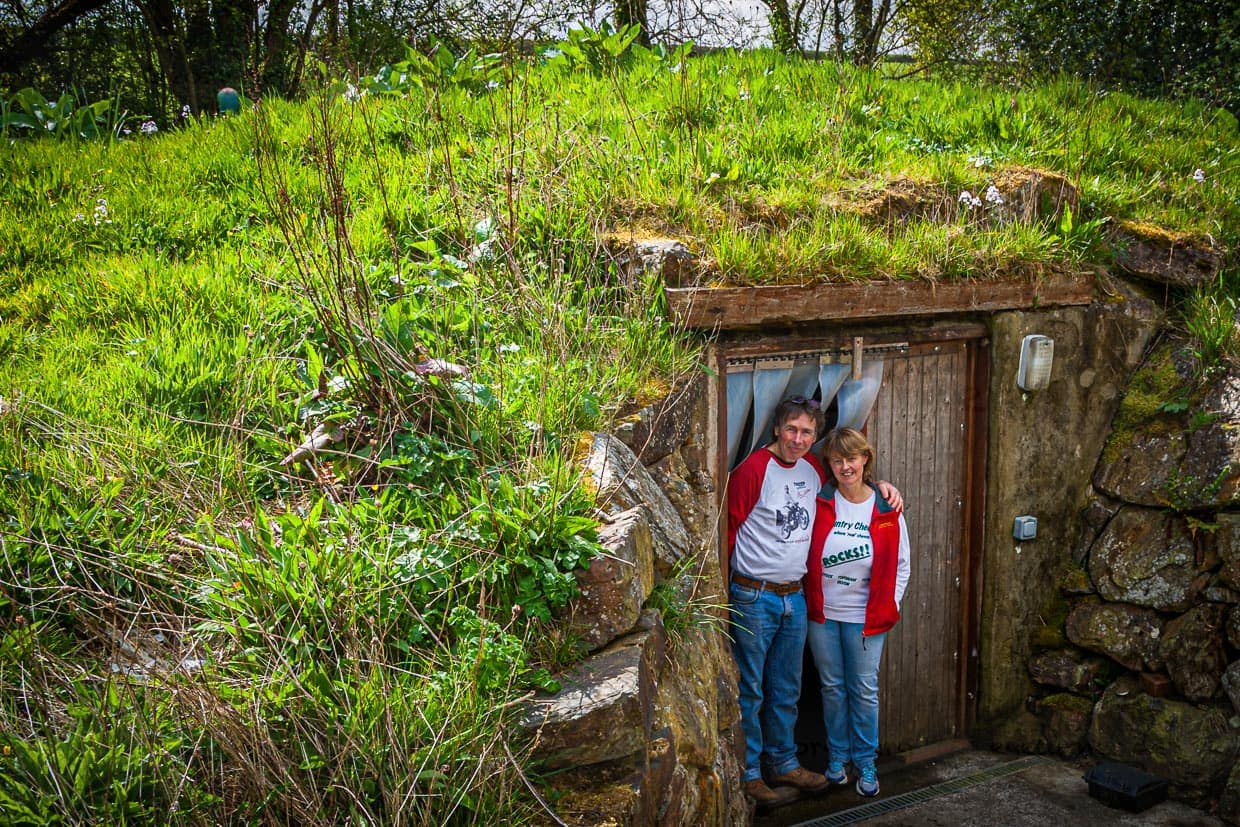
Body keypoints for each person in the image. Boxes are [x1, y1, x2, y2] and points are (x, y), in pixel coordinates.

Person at [727, 398, 903, 810]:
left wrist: (882, 487)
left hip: (796, 597)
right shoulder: (753, 471)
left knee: (787, 687)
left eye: (807, 432)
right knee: (751, 689)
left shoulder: (810, 472)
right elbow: (728, 530)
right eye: (792, 430)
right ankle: (752, 773)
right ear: (776, 429)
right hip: (754, 594)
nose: (798, 439)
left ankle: (785, 762)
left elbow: (851, 485)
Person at [804, 427, 911, 799]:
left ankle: (866, 762)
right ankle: (838, 759)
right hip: (823, 614)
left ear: (865, 460)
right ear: (829, 465)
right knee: (832, 689)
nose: (845, 466)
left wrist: (889, 602)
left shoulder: (885, 506)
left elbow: (902, 565)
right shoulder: (820, 501)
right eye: (837, 460)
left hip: (865, 620)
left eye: (852, 458)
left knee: (863, 691)